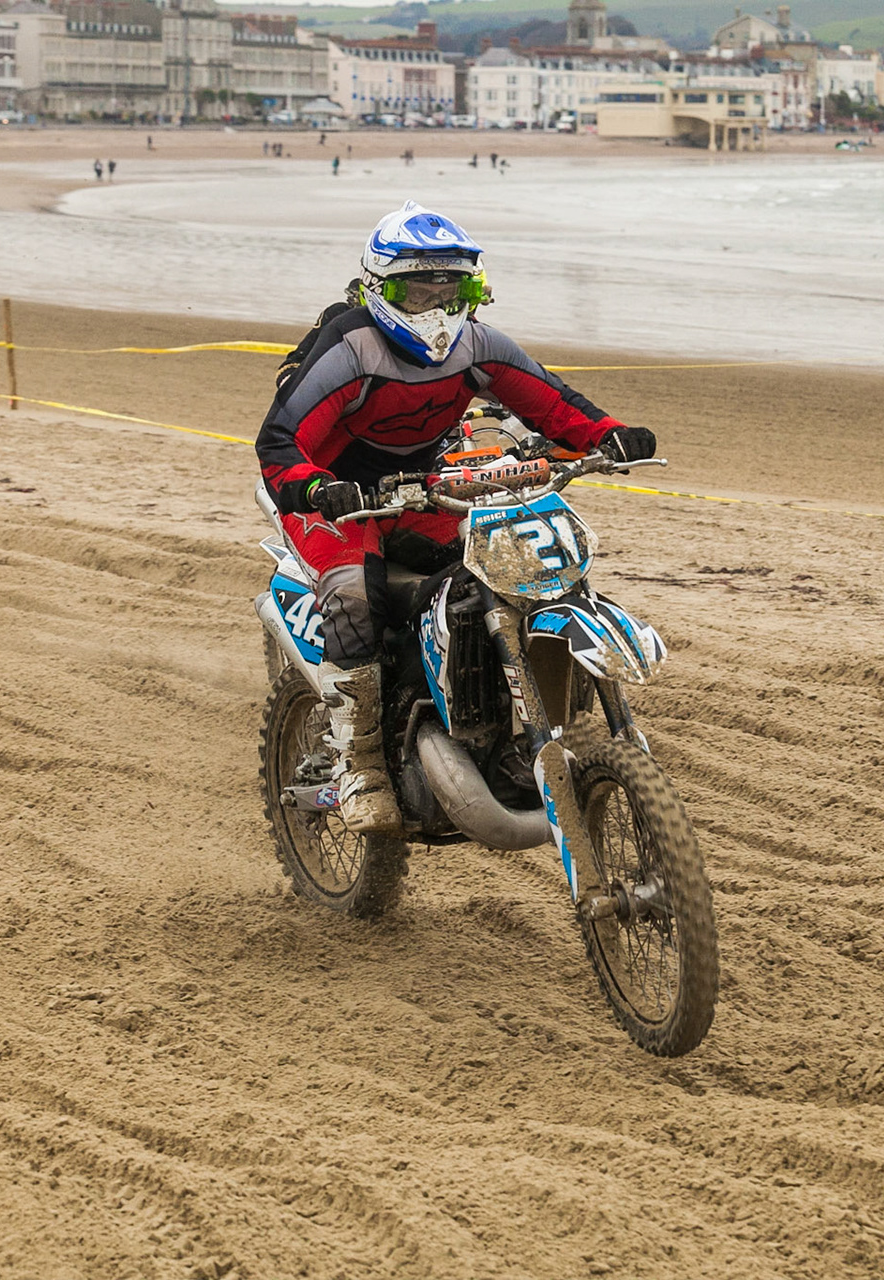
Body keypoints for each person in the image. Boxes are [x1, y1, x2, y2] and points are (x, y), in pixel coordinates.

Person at [255, 201, 654, 833]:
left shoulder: (477, 345)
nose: (436, 306)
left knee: (497, 574)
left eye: (452, 287)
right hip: (340, 502)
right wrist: (314, 487)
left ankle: (505, 726)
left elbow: (553, 403)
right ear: (383, 288)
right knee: (356, 597)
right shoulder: (350, 346)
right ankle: (361, 761)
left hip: (428, 494)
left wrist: (609, 435)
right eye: (418, 289)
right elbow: (279, 442)